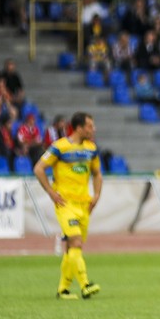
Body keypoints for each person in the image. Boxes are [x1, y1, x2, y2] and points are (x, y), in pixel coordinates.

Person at [33, 112, 102, 301]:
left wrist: (96, 195)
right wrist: (51, 192)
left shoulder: (91, 149)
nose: (93, 129)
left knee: (73, 249)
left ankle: (63, 290)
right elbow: (39, 168)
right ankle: (85, 284)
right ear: (79, 128)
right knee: (76, 241)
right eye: (89, 126)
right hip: (65, 204)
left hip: (84, 205)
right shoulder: (59, 147)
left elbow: (97, 174)